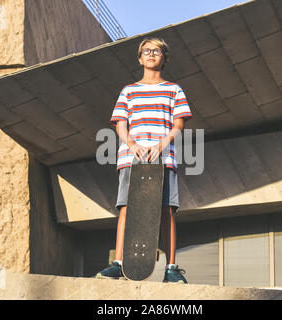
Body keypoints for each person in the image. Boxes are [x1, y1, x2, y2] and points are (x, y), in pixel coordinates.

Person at [95, 37, 192, 283]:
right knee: (127, 208)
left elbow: (178, 124)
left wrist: (161, 145)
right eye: (146, 51)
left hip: (164, 158)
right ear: (140, 58)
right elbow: (120, 124)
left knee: (167, 210)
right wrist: (133, 145)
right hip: (132, 158)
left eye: (156, 51)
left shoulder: (174, 89)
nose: (151, 54)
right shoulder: (129, 90)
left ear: (165, 58)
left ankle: (171, 268)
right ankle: (118, 264)